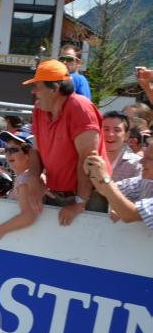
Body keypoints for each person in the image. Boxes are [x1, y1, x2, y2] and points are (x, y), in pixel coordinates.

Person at [22, 59, 109, 226]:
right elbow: (36, 151)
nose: (34, 92)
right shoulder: (39, 111)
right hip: (56, 194)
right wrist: (33, 179)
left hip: (88, 197)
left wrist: (80, 202)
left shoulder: (80, 107)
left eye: (37, 87)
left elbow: (88, 159)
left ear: (54, 89)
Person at [0, 133, 42, 246]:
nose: (8, 153)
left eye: (14, 149)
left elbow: (28, 216)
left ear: (30, 154)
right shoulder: (24, 177)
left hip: (24, 242)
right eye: (6, 149)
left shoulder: (26, 179)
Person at [84, 141, 153, 229]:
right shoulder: (145, 181)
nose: (141, 161)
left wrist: (105, 177)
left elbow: (129, 215)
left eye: (149, 158)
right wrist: (93, 171)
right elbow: (106, 190)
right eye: (144, 156)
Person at [102, 111, 141, 181]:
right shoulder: (91, 159)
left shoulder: (136, 163)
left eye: (117, 130)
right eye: (106, 129)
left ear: (127, 135)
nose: (110, 134)